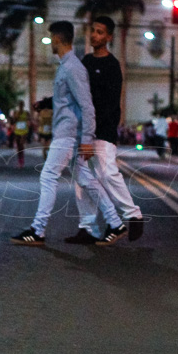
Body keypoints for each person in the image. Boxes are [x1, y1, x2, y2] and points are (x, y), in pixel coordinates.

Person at [12, 21, 123, 246]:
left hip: (69, 134)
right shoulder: (67, 66)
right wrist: (45, 103)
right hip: (68, 132)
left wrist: (87, 139)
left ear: (57, 39)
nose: (51, 41)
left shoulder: (73, 68)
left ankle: (38, 229)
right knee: (84, 177)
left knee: (48, 175)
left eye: (52, 37)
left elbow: (87, 105)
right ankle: (115, 221)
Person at [66, 16, 144, 244]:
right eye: (93, 31)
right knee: (83, 179)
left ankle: (133, 215)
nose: (94, 35)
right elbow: (76, 91)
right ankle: (88, 228)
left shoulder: (112, 66)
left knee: (107, 172)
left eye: (100, 32)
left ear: (109, 37)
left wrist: (102, 130)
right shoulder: (86, 62)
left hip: (103, 131)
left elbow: (111, 103)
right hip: (84, 129)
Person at [10, 100, 31, 168]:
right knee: (18, 146)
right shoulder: (16, 112)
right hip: (17, 131)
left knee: (21, 145)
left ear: (23, 105)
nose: (20, 106)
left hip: (24, 131)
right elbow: (13, 121)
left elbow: (29, 120)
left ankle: (21, 161)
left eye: (21, 105)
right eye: (19, 105)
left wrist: (28, 124)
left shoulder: (26, 113)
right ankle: (20, 160)